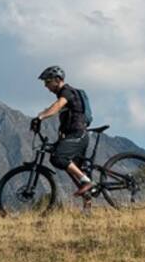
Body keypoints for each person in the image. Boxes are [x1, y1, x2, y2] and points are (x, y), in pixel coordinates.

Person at [31, 66, 96, 198]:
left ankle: (87, 182)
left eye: (47, 81)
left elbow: (57, 106)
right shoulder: (64, 94)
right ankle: (87, 202)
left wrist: (40, 117)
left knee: (58, 157)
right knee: (76, 168)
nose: (45, 86)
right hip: (73, 134)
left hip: (78, 134)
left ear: (57, 79)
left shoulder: (67, 91)